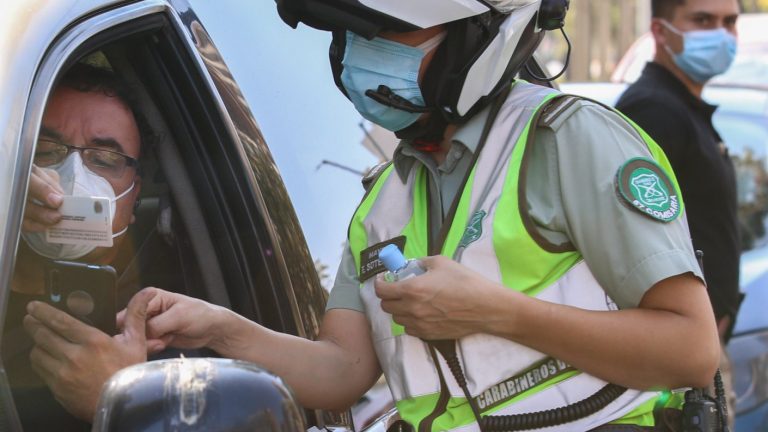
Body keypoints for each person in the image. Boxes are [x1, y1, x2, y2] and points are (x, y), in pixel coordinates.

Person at [32, 1, 719, 430]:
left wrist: (498, 313)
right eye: (351, 34)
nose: (360, 55)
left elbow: (691, 351)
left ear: (475, 35)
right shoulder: (386, 198)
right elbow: (343, 370)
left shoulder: (568, 141)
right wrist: (223, 328)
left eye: (389, 31)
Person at [4, 62, 159, 429]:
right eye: (45, 150)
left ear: (134, 195)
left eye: (104, 159)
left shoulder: (160, 329)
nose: (71, 176)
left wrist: (123, 403)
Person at [615, 0, 741, 422]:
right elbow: (630, 242)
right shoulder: (653, 110)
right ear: (661, 30)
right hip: (680, 360)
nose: (720, 34)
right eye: (703, 20)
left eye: (730, 22)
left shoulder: (684, 108)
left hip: (699, 350)